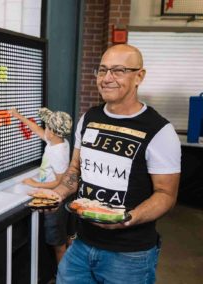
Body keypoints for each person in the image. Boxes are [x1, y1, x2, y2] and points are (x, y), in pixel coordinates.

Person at [34, 44, 181, 284]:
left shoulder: (159, 130)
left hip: (129, 255)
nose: (107, 78)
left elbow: (166, 194)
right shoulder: (89, 118)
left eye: (118, 70)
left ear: (139, 77)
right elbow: (74, 171)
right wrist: (58, 195)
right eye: (102, 70)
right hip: (81, 245)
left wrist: (128, 218)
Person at [9, 107, 73, 266]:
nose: (45, 129)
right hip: (52, 195)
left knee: (58, 244)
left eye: (48, 127)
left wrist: (35, 183)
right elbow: (36, 129)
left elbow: (59, 181)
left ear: (53, 132)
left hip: (54, 200)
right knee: (62, 237)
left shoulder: (58, 153)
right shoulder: (59, 141)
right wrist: (18, 116)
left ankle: (63, 277)